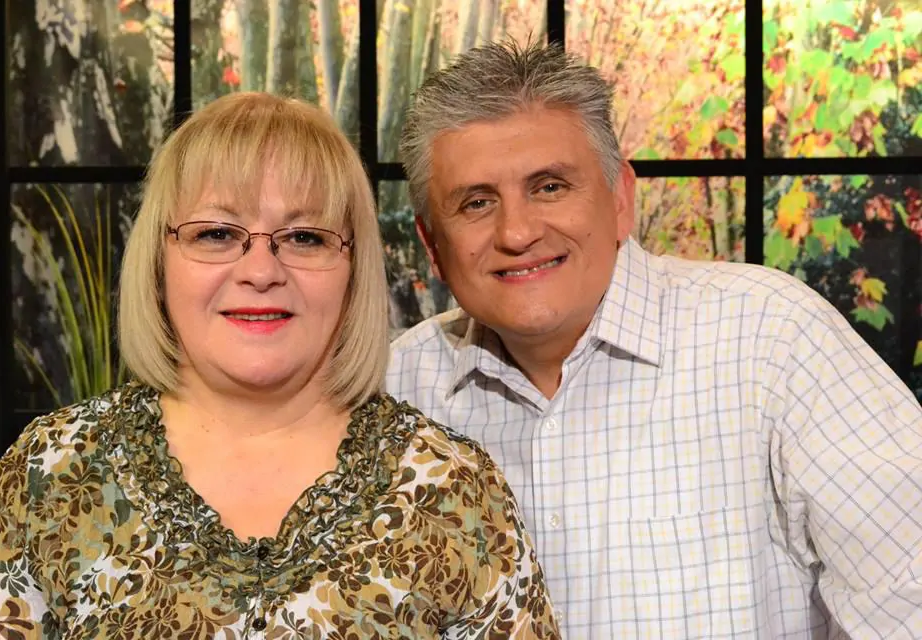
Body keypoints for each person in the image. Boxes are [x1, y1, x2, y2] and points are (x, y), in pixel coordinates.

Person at [0, 93, 560, 638]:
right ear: (158, 261)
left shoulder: (453, 489)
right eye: (216, 233)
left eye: (305, 238)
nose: (260, 271)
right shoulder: (51, 473)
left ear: (354, 272)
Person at [387, 40, 922, 639]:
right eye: (477, 202)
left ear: (621, 198)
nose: (517, 232)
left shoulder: (771, 337)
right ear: (433, 245)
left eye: (550, 187)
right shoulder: (395, 390)